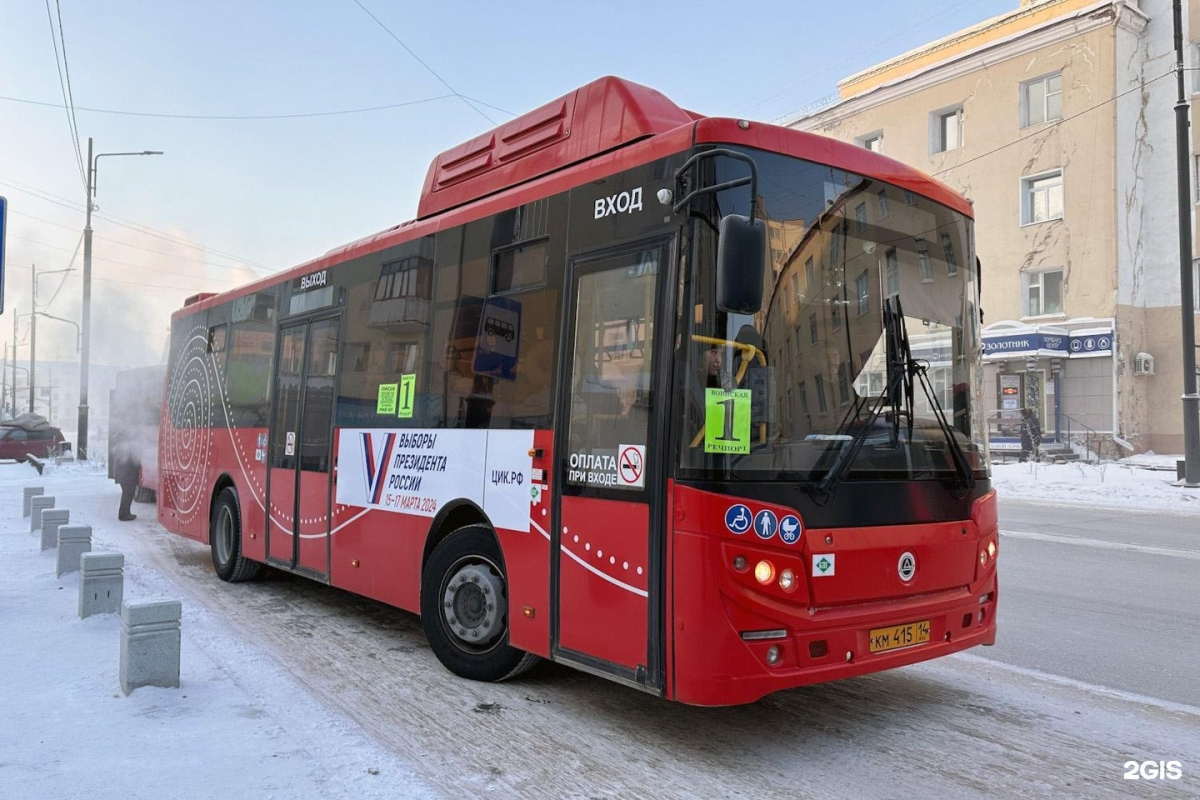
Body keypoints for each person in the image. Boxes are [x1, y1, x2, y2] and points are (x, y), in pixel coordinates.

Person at [112, 436, 140, 521]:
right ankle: (124, 514)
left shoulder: (120, 449)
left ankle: (126, 513)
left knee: (127, 494)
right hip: (127, 476)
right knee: (128, 494)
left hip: (124, 476)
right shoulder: (126, 449)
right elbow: (133, 462)